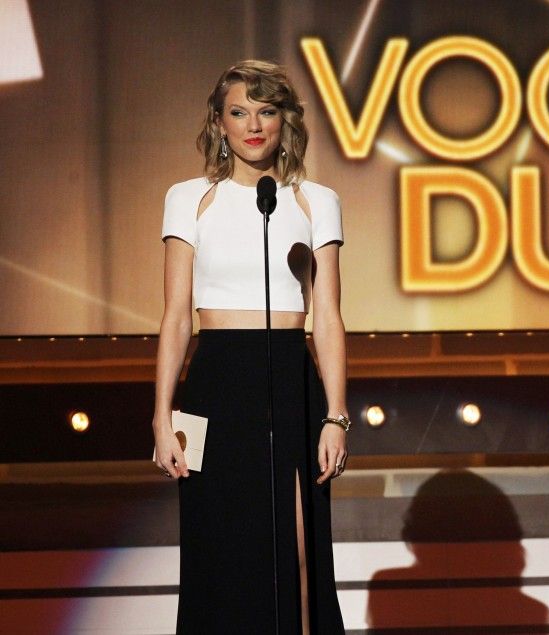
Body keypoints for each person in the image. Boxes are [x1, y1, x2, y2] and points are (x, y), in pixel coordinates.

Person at [151, 60, 347, 634]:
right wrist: (162, 418)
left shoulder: (316, 200)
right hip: (213, 379)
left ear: (285, 120)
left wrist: (336, 415)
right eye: (239, 112)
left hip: (289, 375)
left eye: (266, 111)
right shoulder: (189, 198)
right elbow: (175, 316)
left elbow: (328, 316)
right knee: (219, 546)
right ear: (220, 122)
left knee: (299, 545)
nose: (253, 125)